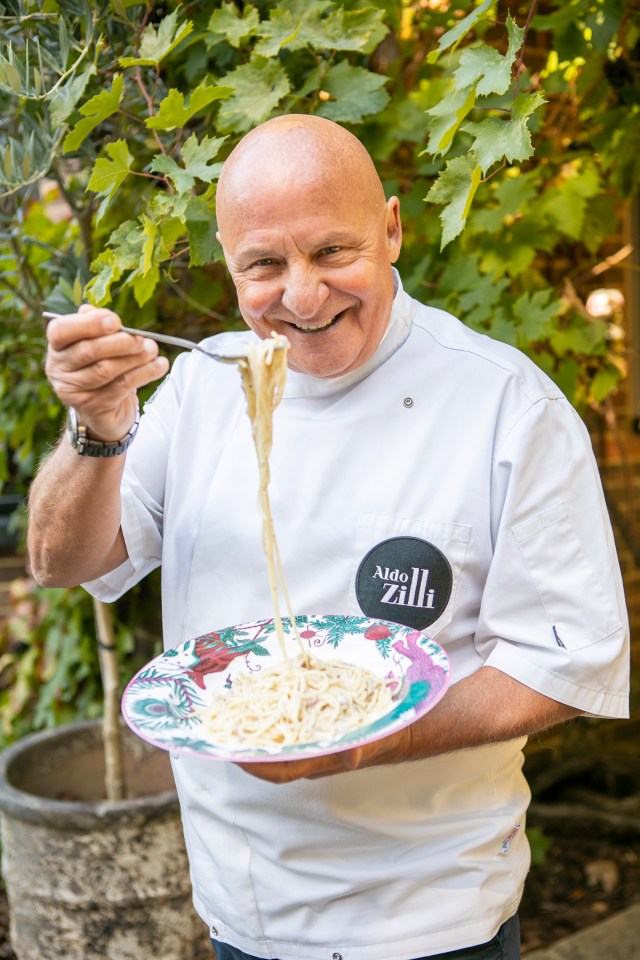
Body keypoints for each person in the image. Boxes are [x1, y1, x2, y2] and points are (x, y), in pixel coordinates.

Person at [28, 115, 629, 960]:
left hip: (431, 918)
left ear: (391, 228)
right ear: (229, 264)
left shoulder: (505, 406)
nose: (302, 298)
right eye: (265, 265)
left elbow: (569, 661)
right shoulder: (204, 387)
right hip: (240, 904)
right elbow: (64, 562)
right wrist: (95, 428)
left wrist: (365, 745)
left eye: (333, 252)